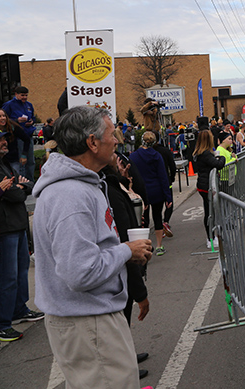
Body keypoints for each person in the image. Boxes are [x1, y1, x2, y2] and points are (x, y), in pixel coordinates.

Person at [32, 106, 154, 388]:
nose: (118, 140)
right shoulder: (70, 196)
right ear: (92, 142)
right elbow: (79, 272)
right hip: (88, 322)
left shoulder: (82, 186)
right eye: (112, 133)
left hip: (92, 318)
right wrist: (127, 251)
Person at [103, 155, 151, 380]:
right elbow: (123, 238)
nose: (121, 161)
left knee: (124, 319)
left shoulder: (114, 185)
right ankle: (124, 367)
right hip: (120, 265)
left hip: (124, 262)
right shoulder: (109, 190)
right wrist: (140, 291)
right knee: (120, 318)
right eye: (117, 159)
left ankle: (127, 356)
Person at [0, 128, 42, 343]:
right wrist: (18, 187)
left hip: (18, 224)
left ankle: (19, 310)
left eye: (4, 139)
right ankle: (1, 324)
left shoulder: (3, 163)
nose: (4, 142)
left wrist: (18, 186)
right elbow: (14, 194)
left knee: (21, 271)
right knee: (7, 276)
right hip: (4, 228)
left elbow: (26, 186)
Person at [129, 131, 173, 256]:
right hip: (157, 190)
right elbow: (163, 176)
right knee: (157, 216)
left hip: (142, 191)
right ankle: (159, 245)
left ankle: (145, 246)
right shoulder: (157, 156)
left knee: (143, 220)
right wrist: (168, 196)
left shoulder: (134, 156)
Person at [193, 130, 226, 249]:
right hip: (206, 185)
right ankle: (210, 238)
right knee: (209, 213)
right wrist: (220, 157)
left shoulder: (199, 153)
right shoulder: (205, 154)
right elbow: (219, 165)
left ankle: (212, 236)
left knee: (210, 211)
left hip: (203, 184)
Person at [2, 86, 36, 181]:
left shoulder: (29, 105)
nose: (24, 97)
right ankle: (22, 182)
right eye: (22, 95)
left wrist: (32, 121)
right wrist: (17, 120)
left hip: (28, 135)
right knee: (22, 162)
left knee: (31, 161)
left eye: (26, 95)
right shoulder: (9, 105)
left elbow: (33, 117)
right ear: (16, 94)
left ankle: (30, 182)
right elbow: (3, 119)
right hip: (18, 137)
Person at [0, 107, 31, 178]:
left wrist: (24, 154)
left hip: (12, 159)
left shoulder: (12, 127)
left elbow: (26, 139)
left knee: (16, 178)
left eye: (4, 116)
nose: (3, 118)